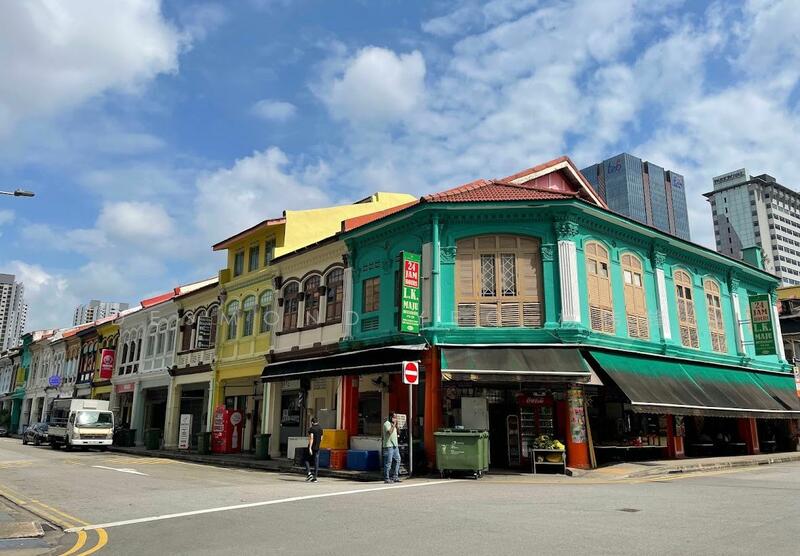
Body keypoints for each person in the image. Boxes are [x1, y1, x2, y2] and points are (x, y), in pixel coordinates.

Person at [382, 412, 401, 484]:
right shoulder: (386, 423)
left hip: (395, 446)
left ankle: (395, 477)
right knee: (388, 462)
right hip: (388, 446)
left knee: (398, 460)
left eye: (396, 417)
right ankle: (387, 478)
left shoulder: (394, 425)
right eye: (394, 417)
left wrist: (397, 425)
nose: (395, 419)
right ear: (390, 417)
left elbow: (399, 433)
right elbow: (389, 432)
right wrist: (394, 425)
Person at [305, 416, 323, 482]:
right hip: (317, 447)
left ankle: (309, 473)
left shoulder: (312, 429)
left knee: (306, 459)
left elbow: (311, 438)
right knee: (316, 462)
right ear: (317, 422)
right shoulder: (321, 429)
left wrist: (310, 448)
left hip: (312, 447)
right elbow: (321, 438)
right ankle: (315, 478)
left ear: (312, 422)